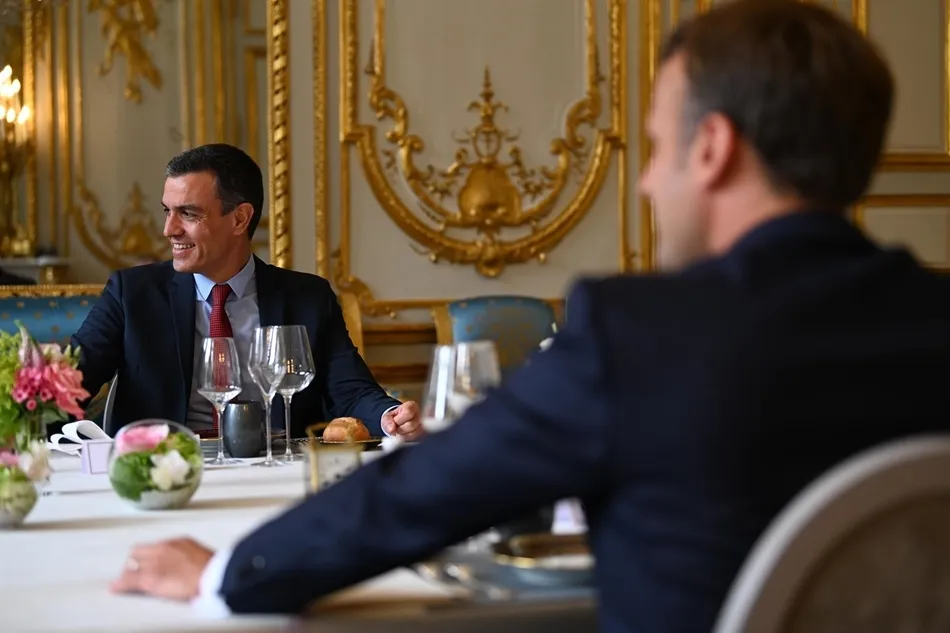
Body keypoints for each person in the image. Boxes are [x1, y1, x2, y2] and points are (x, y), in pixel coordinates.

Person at [110, 2, 950, 631]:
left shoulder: (638, 335)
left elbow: (420, 493)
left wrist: (228, 570)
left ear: (713, 149)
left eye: (656, 148)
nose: (650, 184)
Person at [72, 143, 422, 442]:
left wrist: (390, 416)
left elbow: (351, 390)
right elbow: (72, 381)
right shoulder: (131, 293)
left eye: (188, 213)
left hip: (276, 473)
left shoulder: (307, 297)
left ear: (240, 219)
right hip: (163, 474)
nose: (169, 229)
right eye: (168, 211)